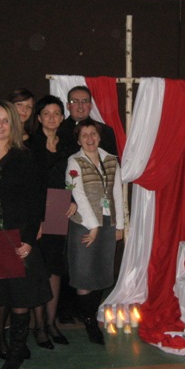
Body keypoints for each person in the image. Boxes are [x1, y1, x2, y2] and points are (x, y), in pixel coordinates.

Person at [0, 101, 52, 369]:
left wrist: (28, 239)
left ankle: (15, 352)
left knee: (18, 297)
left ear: (13, 125)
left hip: (16, 237)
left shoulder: (24, 157)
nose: (1, 125)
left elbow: (35, 200)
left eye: (6, 120)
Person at [65, 119, 124, 345]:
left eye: (93, 134)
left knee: (101, 273)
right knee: (84, 275)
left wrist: (119, 225)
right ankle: (89, 320)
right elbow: (77, 194)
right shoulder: (74, 161)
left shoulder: (111, 160)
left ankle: (91, 315)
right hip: (84, 224)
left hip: (108, 223)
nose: (89, 138)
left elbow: (117, 193)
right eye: (84, 135)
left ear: (99, 137)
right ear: (78, 140)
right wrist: (93, 226)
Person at [29, 95, 78, 349]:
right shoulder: (29, 144)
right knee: (39, 269)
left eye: (56, 113)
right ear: (38, 117)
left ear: (62, 117)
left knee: (55, 268)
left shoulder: (68, 145)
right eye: (46, 113)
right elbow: (26, 184)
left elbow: (74, 179)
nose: (51, 117)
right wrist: (35, 218)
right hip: (36, 211)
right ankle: (38, 326)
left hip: (59, 206)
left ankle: (51, 322)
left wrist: (73, 200)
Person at [58, 85, 118, 156]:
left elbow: (112, 160)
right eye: (74, 101)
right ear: (68, 106)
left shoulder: (105, 131)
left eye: (84, 101)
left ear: (90, 105)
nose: (80, 105)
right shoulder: (58, 131)